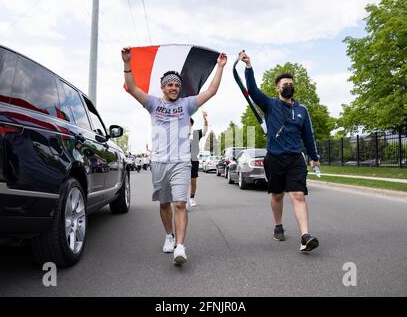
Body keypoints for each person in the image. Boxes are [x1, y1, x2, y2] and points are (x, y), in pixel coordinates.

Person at [122, 47, 227, 265]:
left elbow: (212, 91)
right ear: (163, 87)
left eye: (177, 85)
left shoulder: (187, 105)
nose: (174, 87)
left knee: (180, 203)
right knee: (164, 204)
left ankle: (180, 246)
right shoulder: (153, 104)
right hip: (159, 162)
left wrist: (220, 67)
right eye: (170, 84)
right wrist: (127, 63)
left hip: (181, 162)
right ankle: (169, 236)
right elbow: (132, 88)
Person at [239, 51, 320, 252]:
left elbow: (308, 135)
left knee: (298, 195)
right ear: (277, 88)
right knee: (277, 195)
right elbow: (252, 90)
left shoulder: (302, 110)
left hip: (295, 158)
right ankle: (278, 225)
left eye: (291, 84)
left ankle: (305, 236)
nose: (288, 87)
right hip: (274, 159)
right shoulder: (269, 104)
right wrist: (248, 66)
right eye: (284, 84)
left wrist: (314, 157)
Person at [189, 111, 208, 207]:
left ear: (191, 124)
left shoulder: (196, 133)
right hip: (181, 160)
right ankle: (182, 200)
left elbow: (205, 130)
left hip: (193, 160)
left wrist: (205, 118)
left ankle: (192, 198)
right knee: (182, 181)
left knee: (193, 180)